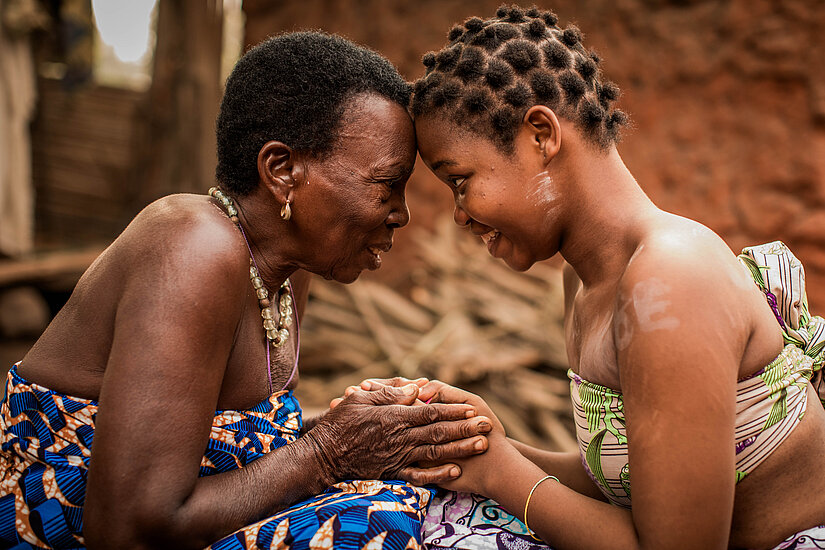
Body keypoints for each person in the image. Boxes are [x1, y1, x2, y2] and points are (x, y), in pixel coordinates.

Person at [0, 32, 495, 550]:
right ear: (282, 172)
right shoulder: (195, 246)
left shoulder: (286, 266)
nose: (401, 214)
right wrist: (328, 451)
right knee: (381, 526)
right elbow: (127, 529)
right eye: (384, 185)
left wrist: (366, 430)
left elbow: (225, 441)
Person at [371, 5, 825, 549]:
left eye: (461, 181)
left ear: (541, 134)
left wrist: (504, 474)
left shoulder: (668, 283)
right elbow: (628, 482)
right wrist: (484, 444)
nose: (459, 215)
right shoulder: (583, 285)